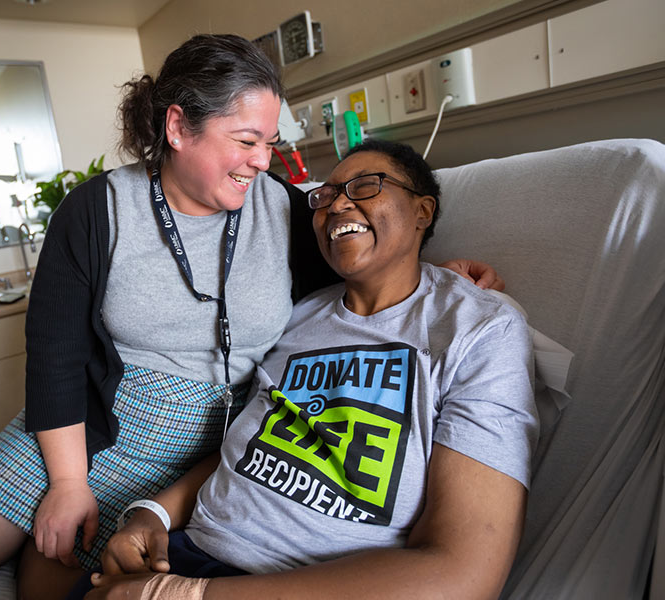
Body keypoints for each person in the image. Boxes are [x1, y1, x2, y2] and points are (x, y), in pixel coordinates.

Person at [0, 35, 503, 599]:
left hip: (212, 434)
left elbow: (363, 264)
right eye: (247, 141)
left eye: (269, 143)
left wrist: (438, 276)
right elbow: (55, 352)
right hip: (103, 411)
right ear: (178, 128)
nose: (262, 162)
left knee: (55, 580)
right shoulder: (97, 211)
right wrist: (68, 485)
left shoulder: (284, 209)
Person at [79, 139, 538, 600]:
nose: (337, 203)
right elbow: (249, 448)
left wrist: (185, 596)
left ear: (422, 211)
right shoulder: (297, 315)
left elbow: (463, 574)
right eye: (324, 195)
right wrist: (152, 515)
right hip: (187, 552)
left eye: (364, 186)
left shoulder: (478, 329)